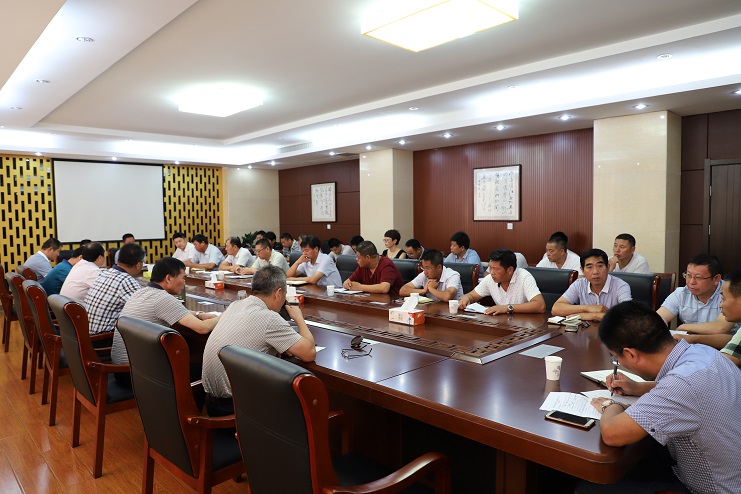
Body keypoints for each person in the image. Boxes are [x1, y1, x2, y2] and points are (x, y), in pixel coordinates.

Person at [577, 301, 741, 494]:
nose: (617, 362)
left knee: (588, 487)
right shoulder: (703, 353)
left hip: (712, 488)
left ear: (630, 354)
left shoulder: (680, 386)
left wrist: (609, 404)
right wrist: (638, 388)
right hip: (729, 471)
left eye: (616, 358)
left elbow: (612, 434)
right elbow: (689, 391)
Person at [201, 265, 316, 416]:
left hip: (211, 404)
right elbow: (309, 353)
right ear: (278, 293)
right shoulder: (269, 318)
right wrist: (299, 318)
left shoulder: (235, 305)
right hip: (239, 410)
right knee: (301, 400)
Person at [111, 257, 220, 386]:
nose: (184, 282)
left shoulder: (142, 292)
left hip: (123, 370)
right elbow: (203, 328)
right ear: (169, 278)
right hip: (141, 375)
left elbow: (172, 310)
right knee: (207, 368)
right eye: (183, 278)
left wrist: (199, 314)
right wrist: (226, 315)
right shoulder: (163, 299)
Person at [657, 253, 736, 335]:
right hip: (691, 341)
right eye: (688, 275)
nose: (691, 282)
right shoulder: (681, 293)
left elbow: (720, 328)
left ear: (716, 279)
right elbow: (657, 319)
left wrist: (684, 327)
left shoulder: (730, 293)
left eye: (698, 277)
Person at [551, 248, 631, 321]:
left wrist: (593, 315)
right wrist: (588, 308)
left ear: (608, 267)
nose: (595, 272)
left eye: (600, 266)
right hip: (585, 331)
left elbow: (629, 315)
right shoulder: (579, 284)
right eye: (589, 267)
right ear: (582, 270)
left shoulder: (621, 286)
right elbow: (556, 309)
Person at [458, 249, 545, 315]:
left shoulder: (524, 277)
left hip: (525, 325)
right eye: (490, 268)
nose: (492, 272)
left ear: (510, 270)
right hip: (502, 323)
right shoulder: (490, 279)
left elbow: (540, 306)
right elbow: (471, 296)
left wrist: (507, 308)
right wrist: (466, 298)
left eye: (496, 269)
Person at [84, 243, 145, 335]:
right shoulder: (126, 281)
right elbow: (144, 310)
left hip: (88, 333)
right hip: (103, 337)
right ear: (138, 265)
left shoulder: (104, 273)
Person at [677, 269, 741, 354]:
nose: (720, 305)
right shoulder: (681, 292)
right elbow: (733, 340)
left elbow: (725, 361)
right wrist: (693, 338)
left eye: (724, 299)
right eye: (688, 275)